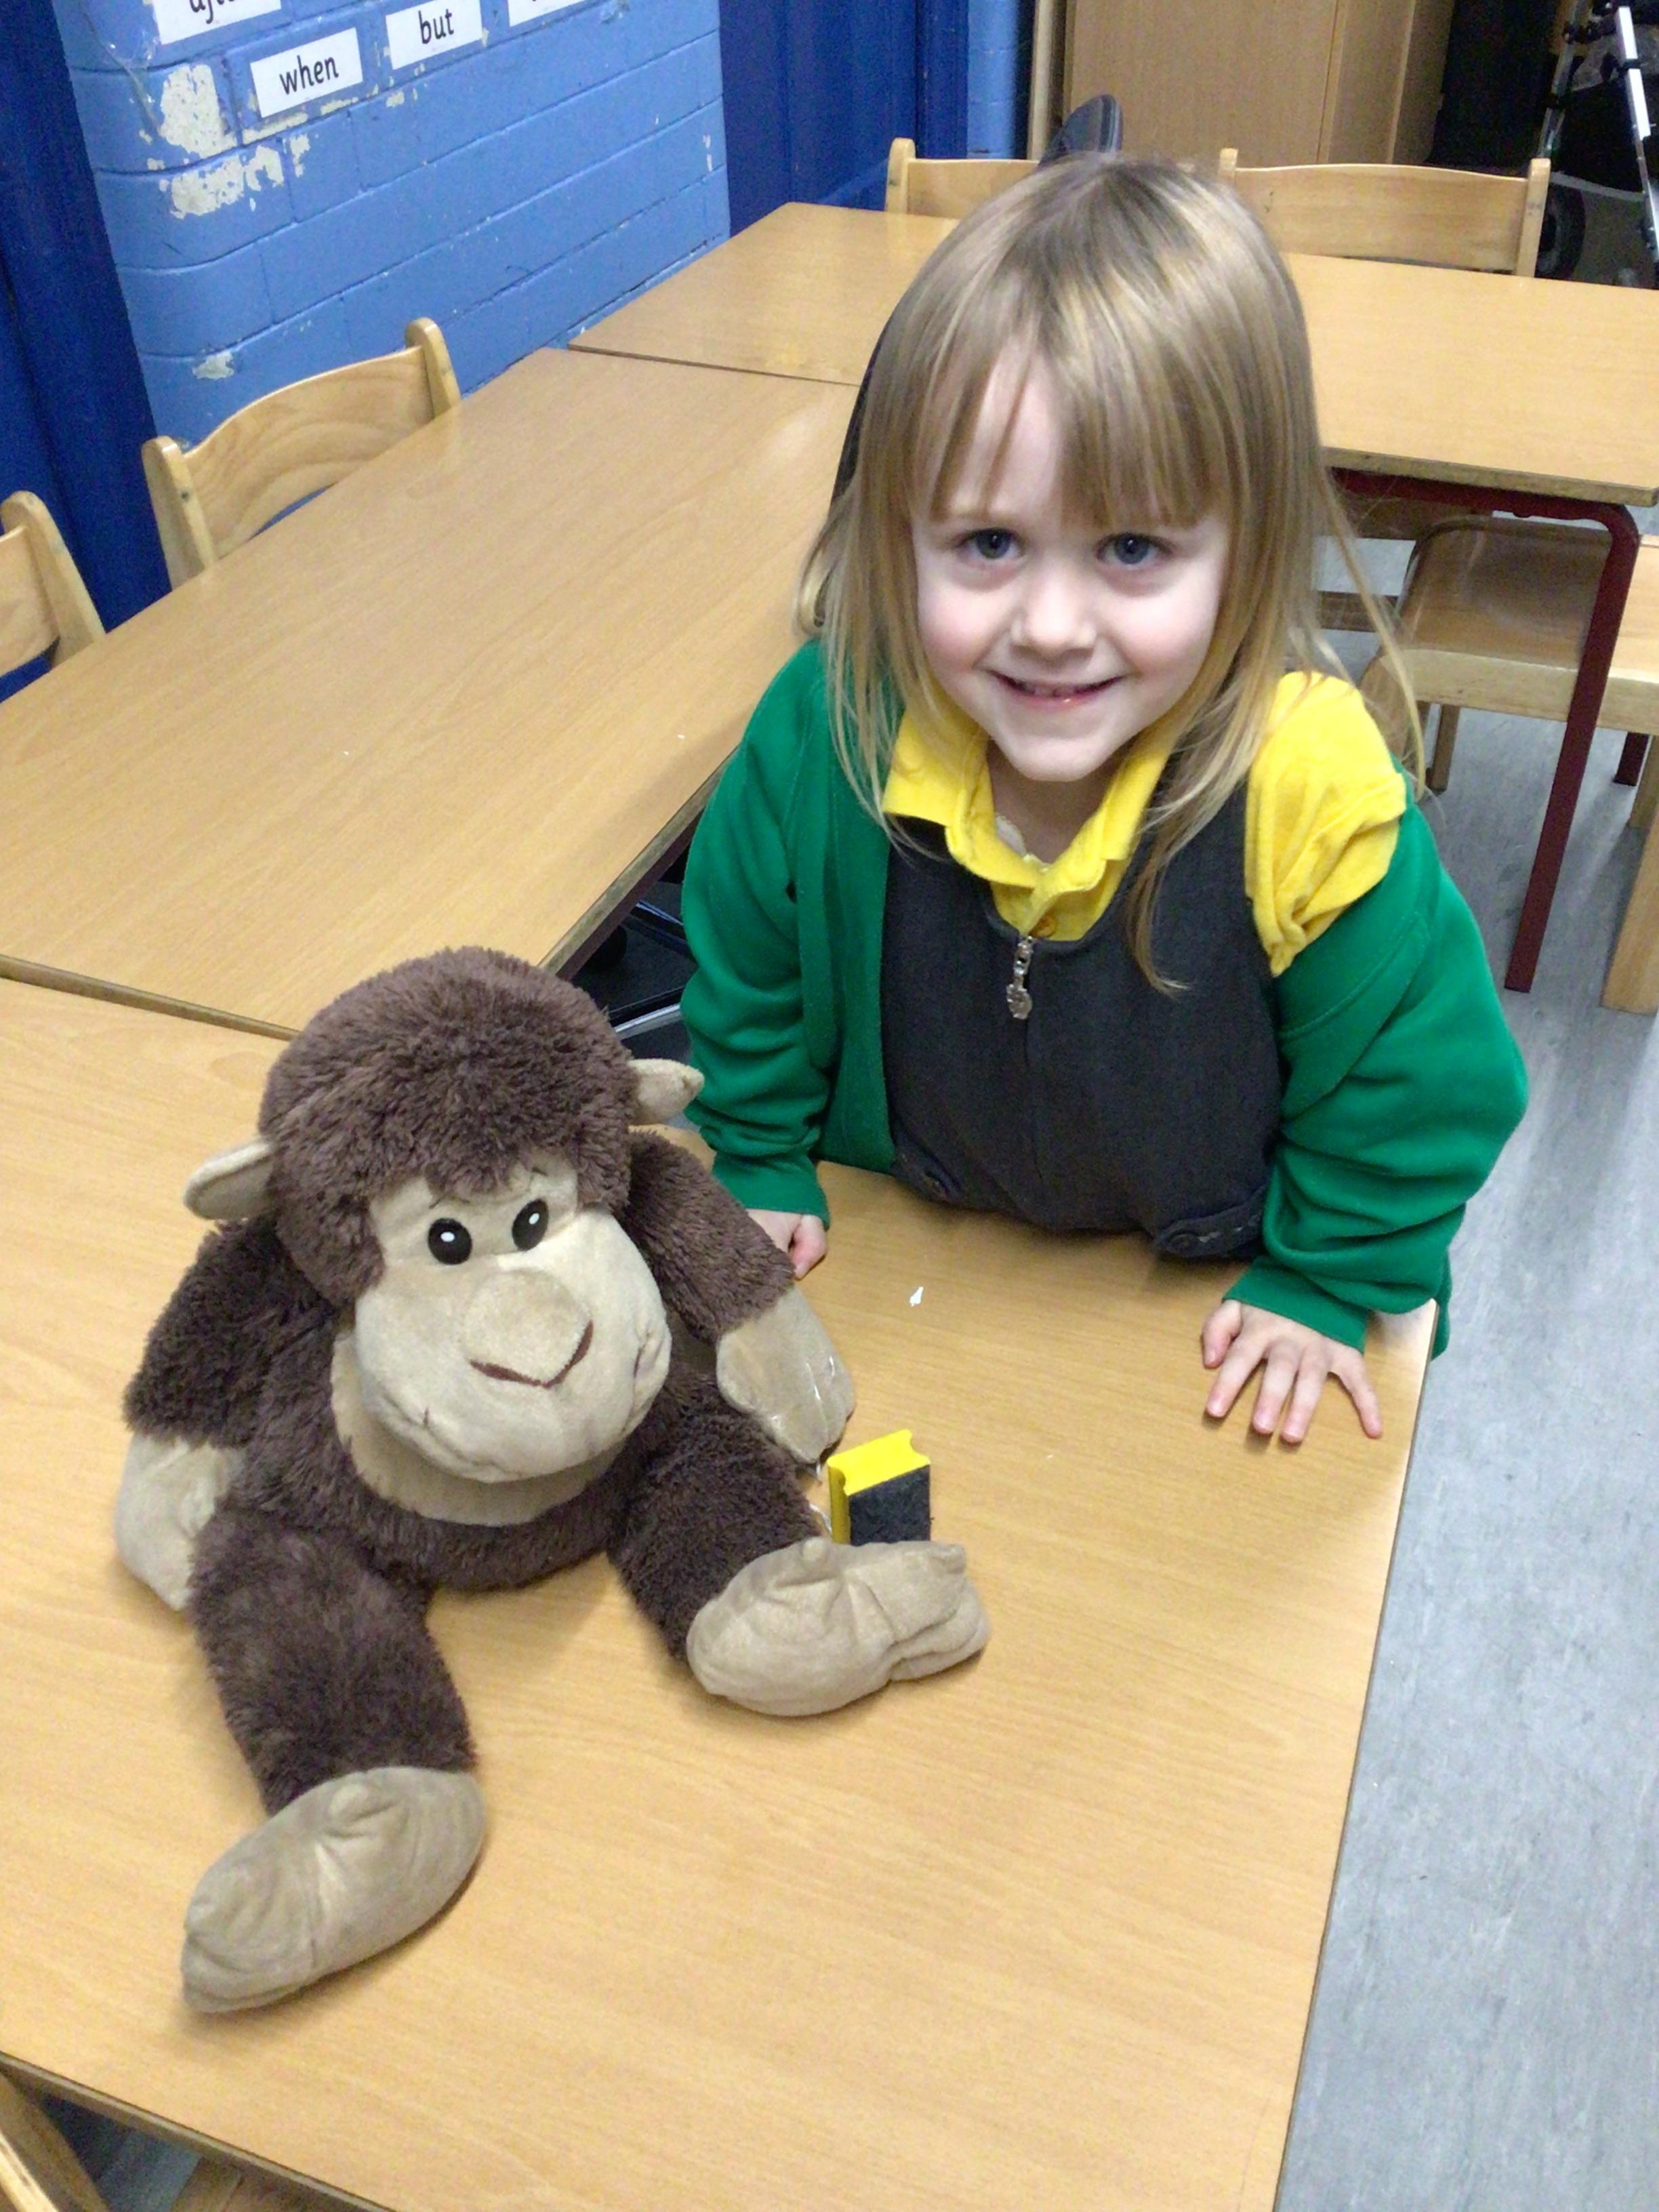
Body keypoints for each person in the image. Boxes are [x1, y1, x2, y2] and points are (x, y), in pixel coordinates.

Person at [679, 154, 1526, 1445]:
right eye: (988, 543)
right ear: (898, 532)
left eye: (1132, 548)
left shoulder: (1306, 789)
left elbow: (1422, 1078)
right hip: (924, 1277)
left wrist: (1330, 1277)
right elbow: (749, 962)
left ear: (1250, 544)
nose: (1052, 626)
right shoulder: (829, 725)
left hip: (1197, 1306)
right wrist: (758, 1150)